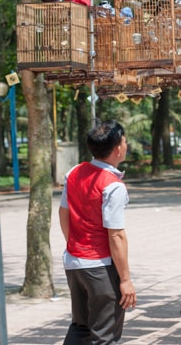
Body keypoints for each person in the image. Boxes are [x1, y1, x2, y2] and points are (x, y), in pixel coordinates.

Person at [59, 119, 137, 344]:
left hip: (74, 263)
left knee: (80, 328)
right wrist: (125, 280)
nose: (126, 144)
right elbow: (116, 235)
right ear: (118, 149)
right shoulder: (113, 185)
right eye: (124, 141)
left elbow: (63, 214)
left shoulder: (74, 172)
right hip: (100, 267)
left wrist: (76, 245)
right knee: (105, 335)